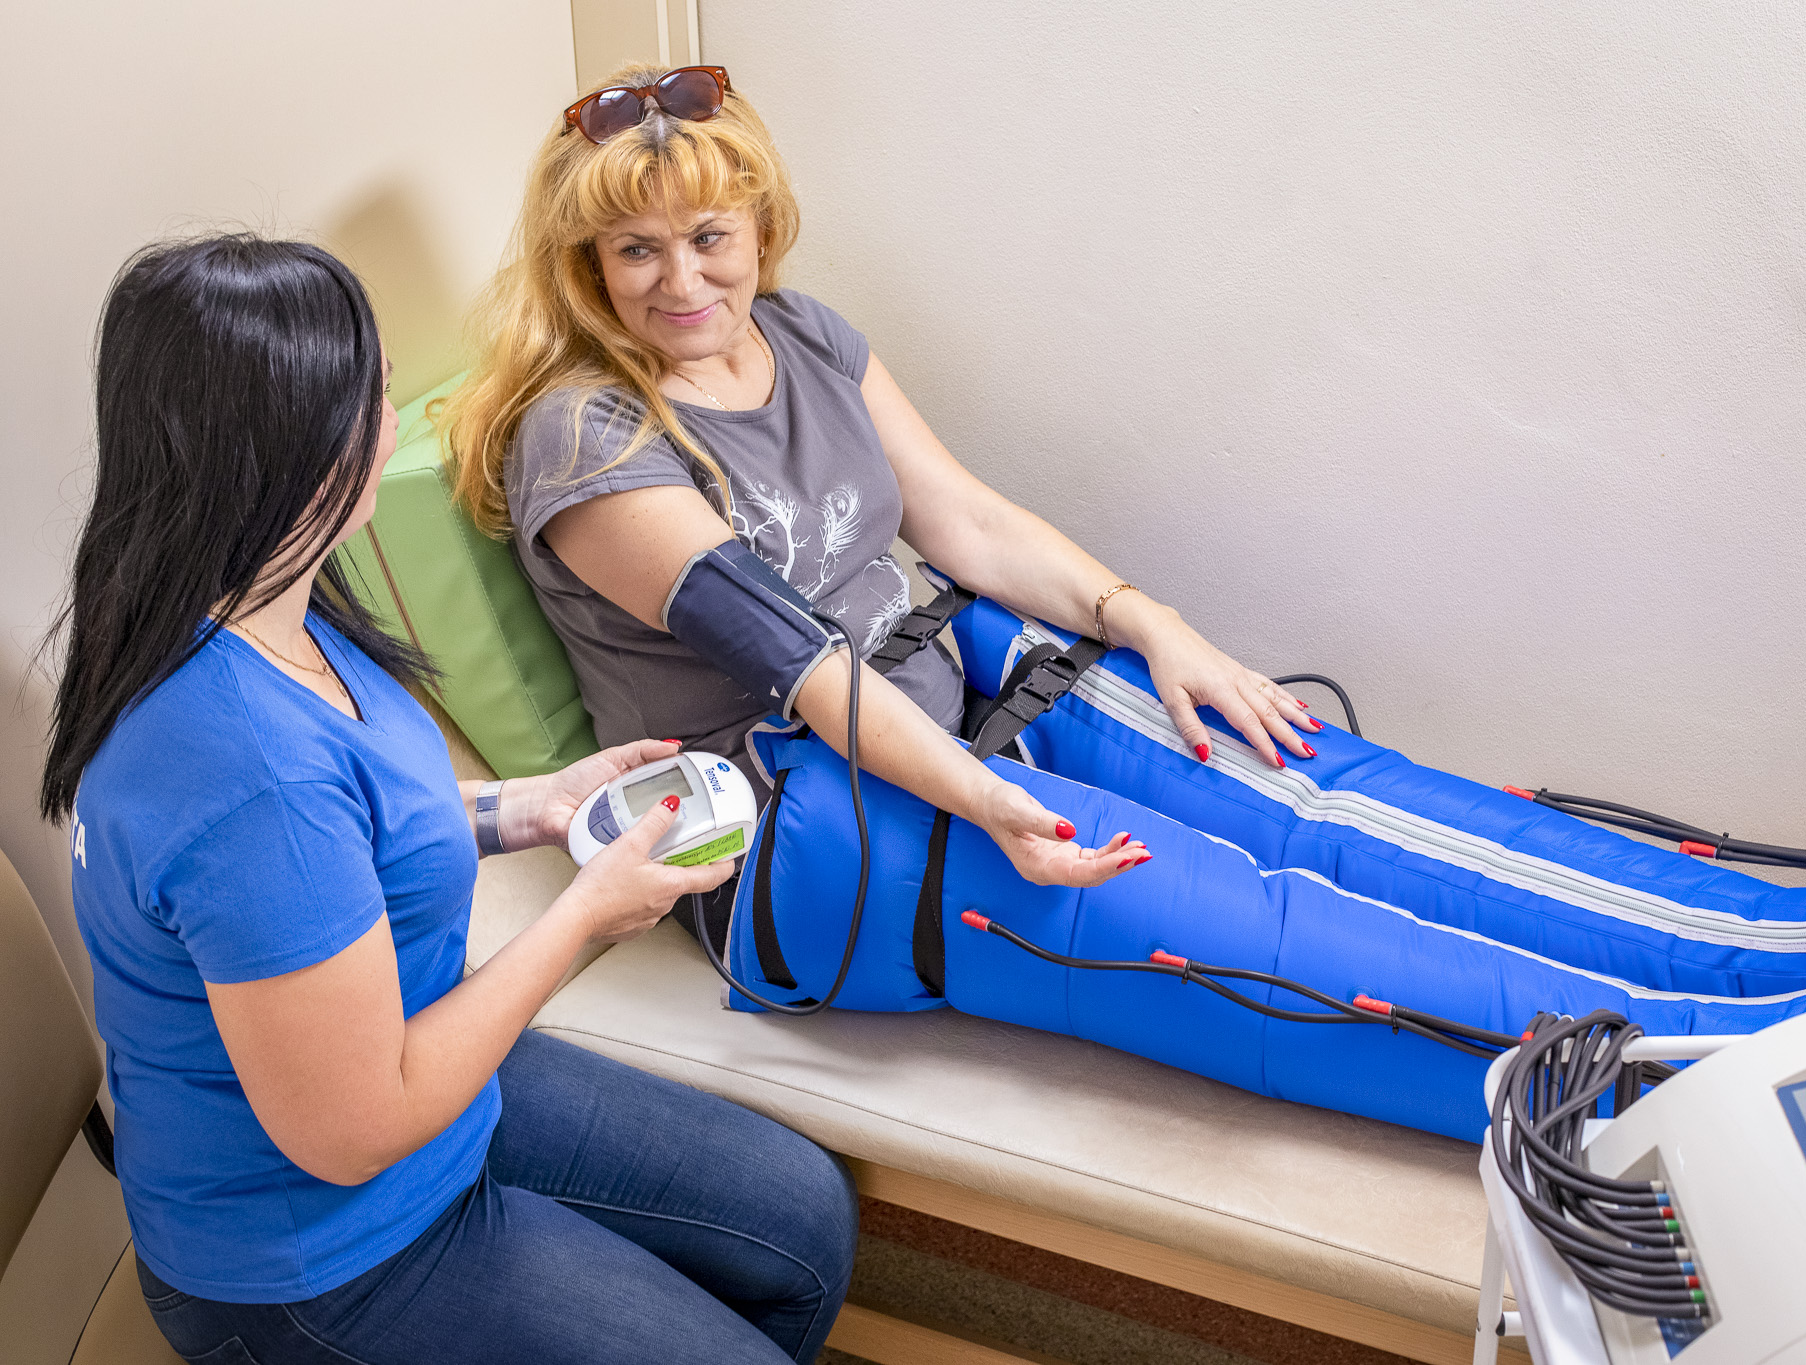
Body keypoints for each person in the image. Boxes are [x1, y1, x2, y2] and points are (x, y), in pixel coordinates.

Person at [44, 235, 856, 1365]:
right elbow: (356, 1126)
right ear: (296, 447)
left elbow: (351, 829)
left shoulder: (264, 602)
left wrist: (529, 806)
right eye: (375, 396)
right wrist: (584, 914)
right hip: (324, 1254)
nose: (395, 420)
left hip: (428, 1092)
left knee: (801, 1222)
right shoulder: (237, 770)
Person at [445, 64, 1322, 906]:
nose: (683, 281)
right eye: (638, 250)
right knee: (1244, 913)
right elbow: (805, 666)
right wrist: (984, 800)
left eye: (709, 236)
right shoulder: (582, 435)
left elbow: (968, 522)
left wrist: (1154, 623)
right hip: (782, 818)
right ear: (589, 266)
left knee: (1307, 814)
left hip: (930, 721)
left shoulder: (802, 333)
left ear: (760, 226)